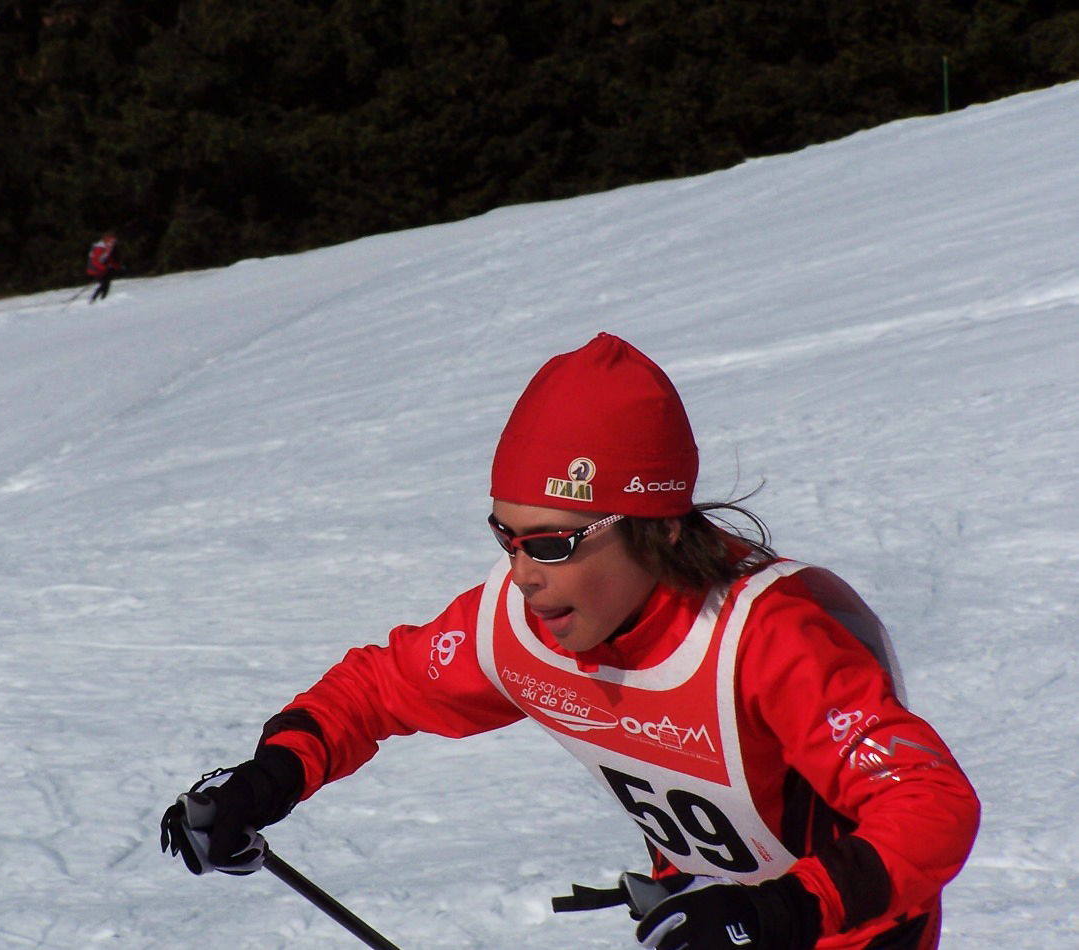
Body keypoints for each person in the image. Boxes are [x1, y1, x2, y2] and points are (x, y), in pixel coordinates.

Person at [160, 333, 980, 949]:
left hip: (839, 930)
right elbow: (375, 690)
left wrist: (774, 913)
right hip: (697, 924)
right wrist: (267, 778)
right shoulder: (521, 625)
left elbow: (930, 805)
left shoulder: (764, 638)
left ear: (657, 527)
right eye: (506, 537)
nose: (521, 575)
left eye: (552, 543)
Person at [86, 231, 122, 302]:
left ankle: (102, 298)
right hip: (95, 269)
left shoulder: (107, 248)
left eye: (114, 242)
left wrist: (116, 266)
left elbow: (108, 259)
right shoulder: (99, 248)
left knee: (107, 282)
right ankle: (95, 299)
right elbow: (95, 261)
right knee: (105, 283)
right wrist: (104, 268)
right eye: (112, 241)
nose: (113, 243)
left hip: (101, 268)